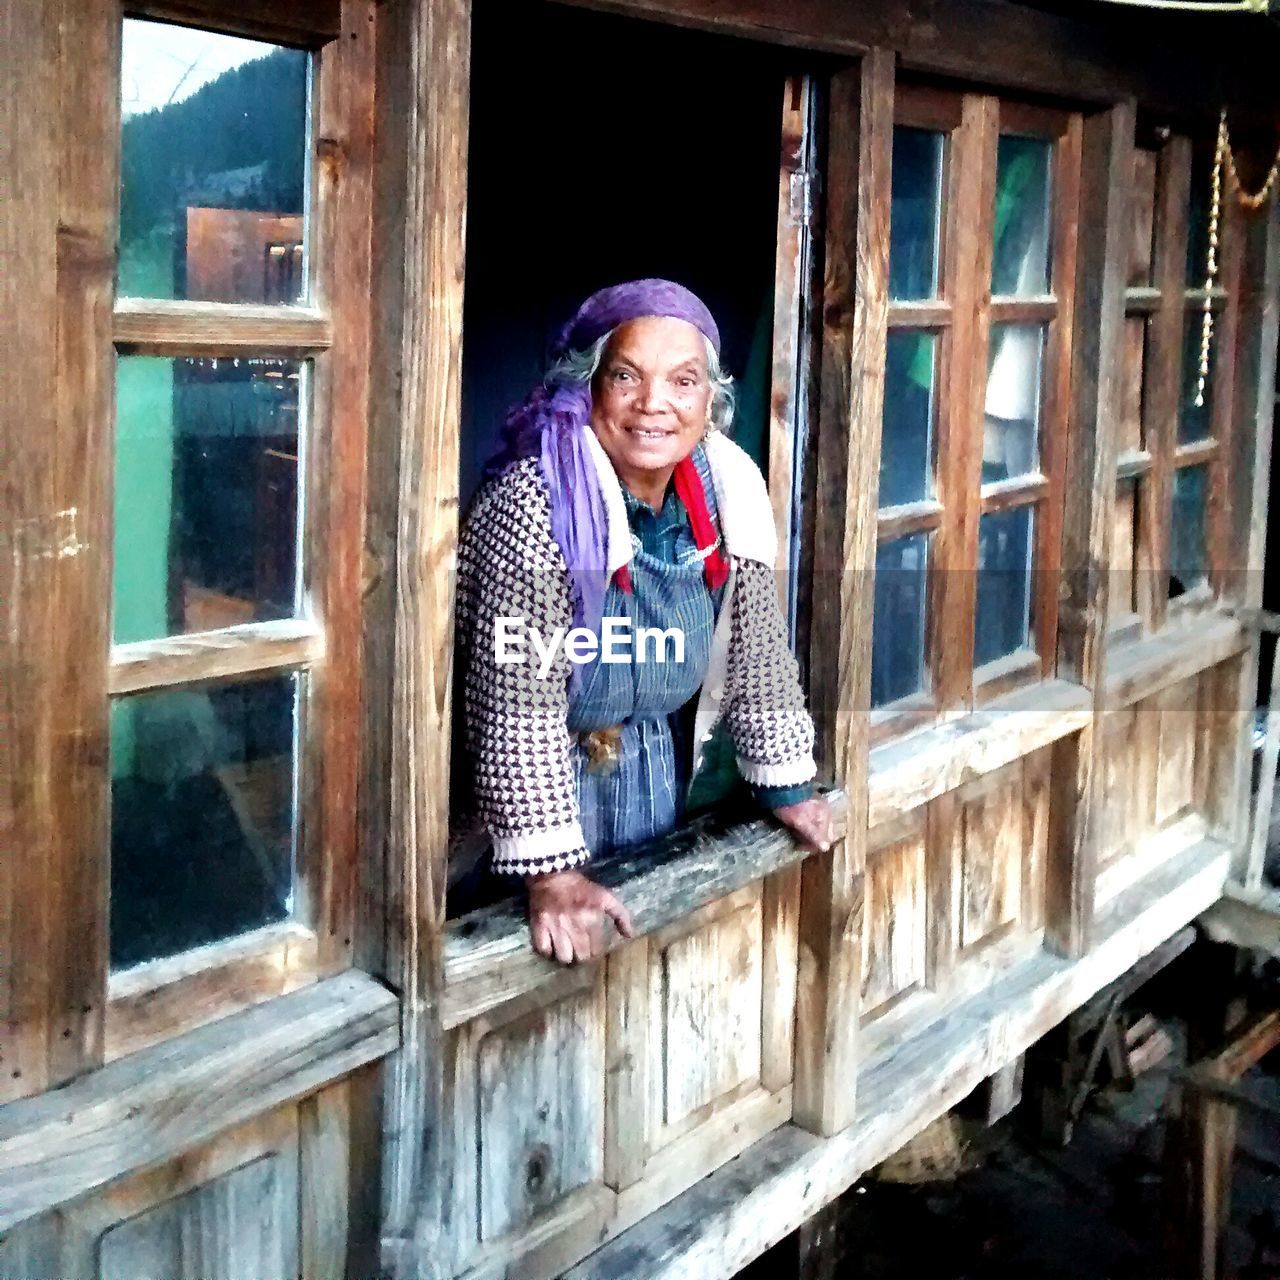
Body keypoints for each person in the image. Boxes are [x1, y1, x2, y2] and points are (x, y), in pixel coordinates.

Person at [457, 279, 835, 964]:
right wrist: (551, 873)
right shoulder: (537, 501)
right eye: (626, 376)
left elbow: (757, 652)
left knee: (644, 957)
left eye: (683, 381)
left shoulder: (725, 493)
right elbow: (517, 703)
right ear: (589, 385)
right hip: (531, 787)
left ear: (710, 400)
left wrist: (788, 785)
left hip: (654, 768)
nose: (654, 404)